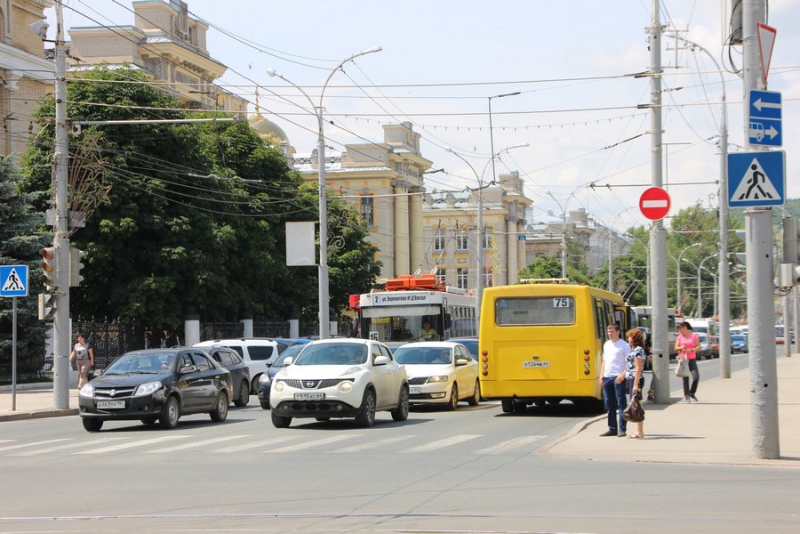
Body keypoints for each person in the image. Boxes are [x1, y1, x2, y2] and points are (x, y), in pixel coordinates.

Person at [599, 323, 630, 437]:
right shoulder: (607, 344)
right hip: (607, 377)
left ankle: (622, 429)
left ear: (618, 332)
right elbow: (604, 361)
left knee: (621, 403)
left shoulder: (624, 345)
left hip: (618, 377)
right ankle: (612, 428)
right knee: (609, 404)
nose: (610, 333)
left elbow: (629, 363)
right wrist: (601, 375)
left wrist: (622, 375)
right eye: (608, 331)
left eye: (612, 331)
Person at [625, 328, 646, 439]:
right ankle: (639, 431)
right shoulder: (634, 349)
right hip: (632, 378)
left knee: (637, 405)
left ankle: (639, 431)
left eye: (629, 337)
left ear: (634, 338)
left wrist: (635, 385)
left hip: (636, 379)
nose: (628, 339)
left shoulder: (638, 350)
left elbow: (638, 368)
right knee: (637, 404)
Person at [675, 321, 700, 403]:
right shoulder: (679, 337)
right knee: (685, 378)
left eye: (682, 328)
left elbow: (699, 347)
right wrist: (681, 347)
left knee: (696, 377)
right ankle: (687, 397)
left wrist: (692, 350)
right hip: (683, 359)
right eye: (679, 329)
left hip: (692, 358)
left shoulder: (694, 336)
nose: (680, 330)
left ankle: (692, 392)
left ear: (686, 328)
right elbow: (676, 348)